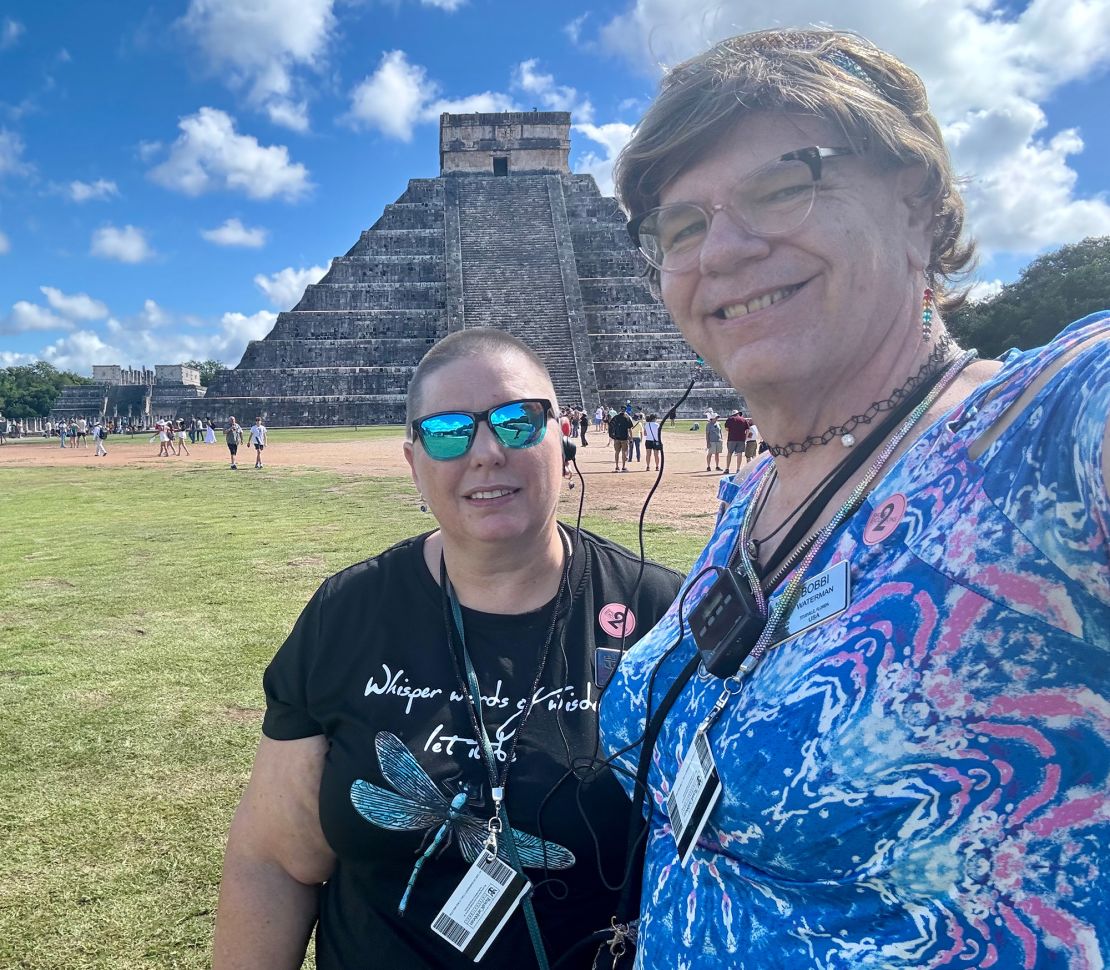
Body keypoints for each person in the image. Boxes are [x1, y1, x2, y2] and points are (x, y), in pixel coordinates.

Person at [601, 27, 1110, 969]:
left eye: (782, 185)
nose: (723, 249)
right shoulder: (746, 502)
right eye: (681, 224)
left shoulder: (1038, 436)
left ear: (919, 205)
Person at [213, 327, 682, 970]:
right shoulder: (347, 615)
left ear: (563, 436)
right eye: (447, 430)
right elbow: (275, 859)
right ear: (413, 461)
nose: (487, 451)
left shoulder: (663, 617)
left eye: (519, 421)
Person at [607, 406, 633, 472]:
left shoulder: (616, 417)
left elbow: (610, 425)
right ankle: (623, 467)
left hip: (617, 437)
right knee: (624, 452)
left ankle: (616, 466)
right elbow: (630, 429)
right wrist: (631, 438)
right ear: (625, 410)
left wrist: (612, 434)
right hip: (624, 437)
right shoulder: (627, 418)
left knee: (617, 452)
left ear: (620, 409)